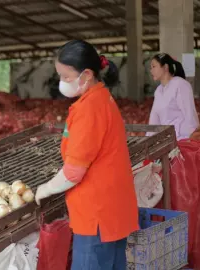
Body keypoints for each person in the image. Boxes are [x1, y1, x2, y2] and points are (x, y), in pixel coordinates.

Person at [34, 40, 139, 269]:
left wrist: (46, 189)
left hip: (97, 213)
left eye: (66, 77)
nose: (62, 83)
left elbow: (73, 172)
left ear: (87, 74)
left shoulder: (89, 109)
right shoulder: (102, 98)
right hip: (112, 208)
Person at [147, 53, 199, 140]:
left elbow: (190, 115)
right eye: (150, 68)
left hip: (183, 139)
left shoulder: (180, 84)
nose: (151, 70)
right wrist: (147, 141)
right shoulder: (158, 91)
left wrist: (192, 140)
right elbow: (154, 120)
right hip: (167, 140)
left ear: (165, 67)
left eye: (154, 66)